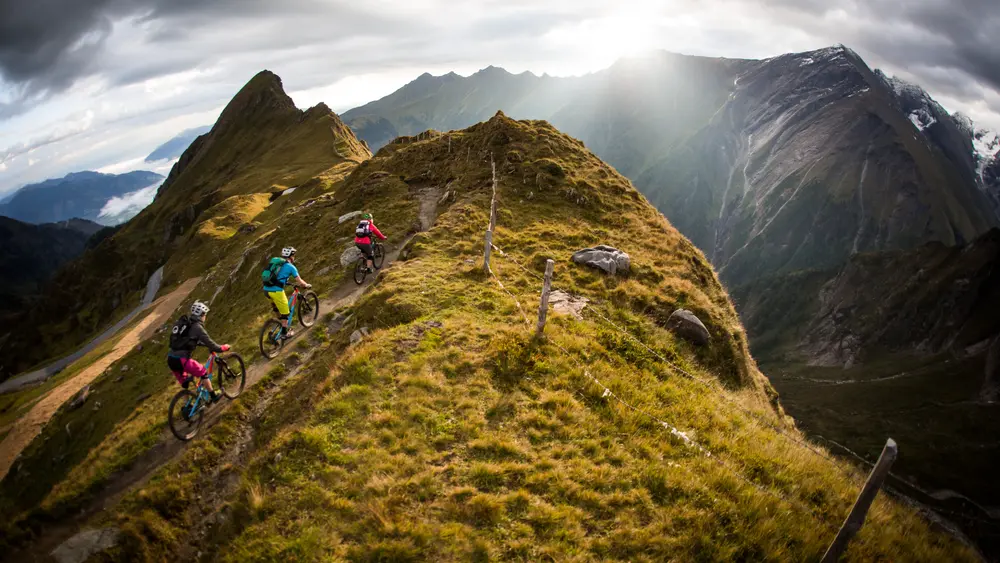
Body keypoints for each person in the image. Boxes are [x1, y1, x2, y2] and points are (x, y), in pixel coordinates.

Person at [167, 301, 229, 403]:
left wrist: (204, 345)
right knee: (203, 373)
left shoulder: (187, 324)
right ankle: (213, 396)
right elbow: (211, 343)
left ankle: (187, 407)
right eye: (204, 314)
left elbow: (190, 340)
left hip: (171, 359)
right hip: (182, 359)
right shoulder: (198, 328)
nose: (205, 317)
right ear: (201, 315)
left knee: (185, 383)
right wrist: (222, 348)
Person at [262, 246, 312, 338]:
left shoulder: (276, 262)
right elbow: (299, 281)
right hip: (276, 291)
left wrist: (285, 281)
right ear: (291, 256)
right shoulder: (291, 267)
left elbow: (277, 275)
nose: (294, 257)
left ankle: (279, 322)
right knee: (286, 314)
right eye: (294, 255)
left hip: (266, 290)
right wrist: (306, 285)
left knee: (277, 308)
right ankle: (285, 333)